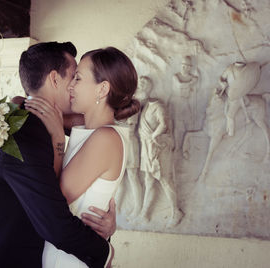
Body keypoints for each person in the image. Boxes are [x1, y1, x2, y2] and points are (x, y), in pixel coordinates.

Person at [0, 42, 116, 268]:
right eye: (74, 77)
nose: (76, 86)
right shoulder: (21, 134)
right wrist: (105, 252)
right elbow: (54, 224)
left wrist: (105, 224)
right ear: (54, 79)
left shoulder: (26, 120)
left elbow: (100, 116)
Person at [25, 47, 140, 267]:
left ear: (102, 89)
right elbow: (31, 104)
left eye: (78, 78)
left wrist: (58, 137)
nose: (70, 85)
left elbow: (56, 198)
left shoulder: (106, 138)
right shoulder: (86, 125)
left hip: (71, 260)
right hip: (59, 253)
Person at [136, 76, 184, 227]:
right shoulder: (144, 106)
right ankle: (144, 214)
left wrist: (154, 135)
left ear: (149, 88)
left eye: (142, 85)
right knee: (149, 181)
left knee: (165, 180)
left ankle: (176, 212)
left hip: (159, 149)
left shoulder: (158, 106)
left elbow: (163, 124)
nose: (139, 88)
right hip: (148, 149)